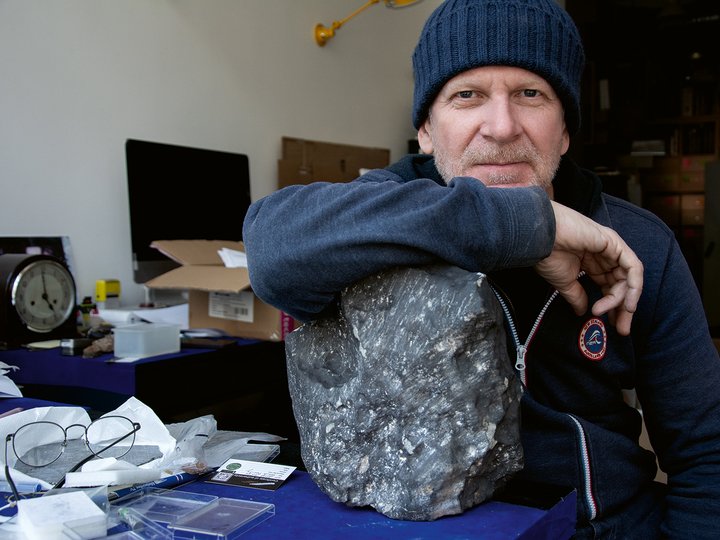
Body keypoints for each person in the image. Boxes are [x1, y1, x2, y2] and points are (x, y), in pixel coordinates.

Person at [243, 0, 720, 537]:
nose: (500, 127)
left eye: (530, 94)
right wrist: (525, 224)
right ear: (425, 129)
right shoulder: (382, 212)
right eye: (467, 95)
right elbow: (272, 246)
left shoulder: (636, 245)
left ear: (564, 130)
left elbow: (707, 452)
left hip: (600, 525)